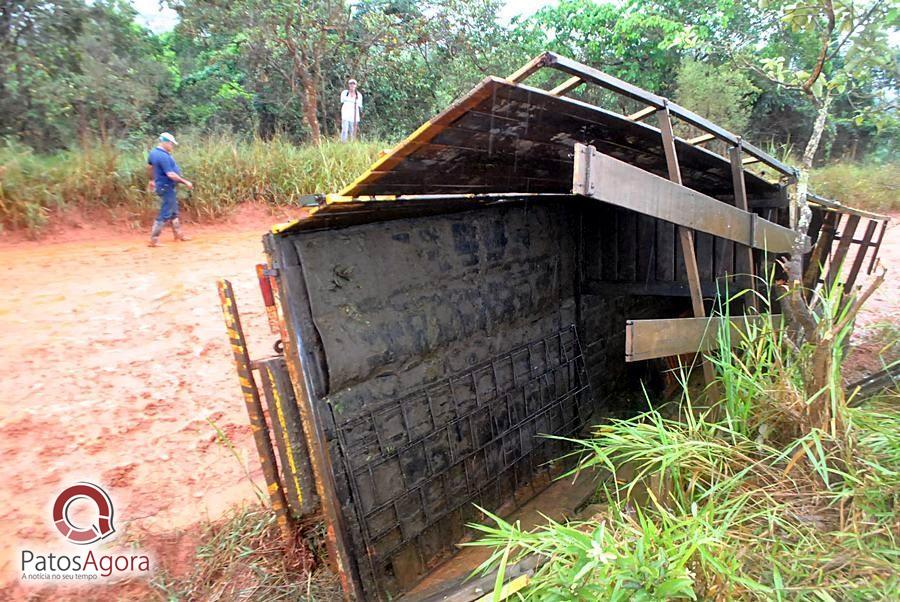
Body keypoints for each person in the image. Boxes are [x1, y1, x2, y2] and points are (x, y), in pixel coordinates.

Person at [146, 132, 193, 247]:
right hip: (166, 186)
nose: (172, 146)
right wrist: (185, 181)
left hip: (164, 186)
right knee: (165, 212)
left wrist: (152, 180)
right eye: (171, 144)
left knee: (173, 211)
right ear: (166, 142)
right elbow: (171, 174)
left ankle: (178, 235)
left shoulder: (153, 153)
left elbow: (150, 167)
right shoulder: (163, 156)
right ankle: (154, 239)